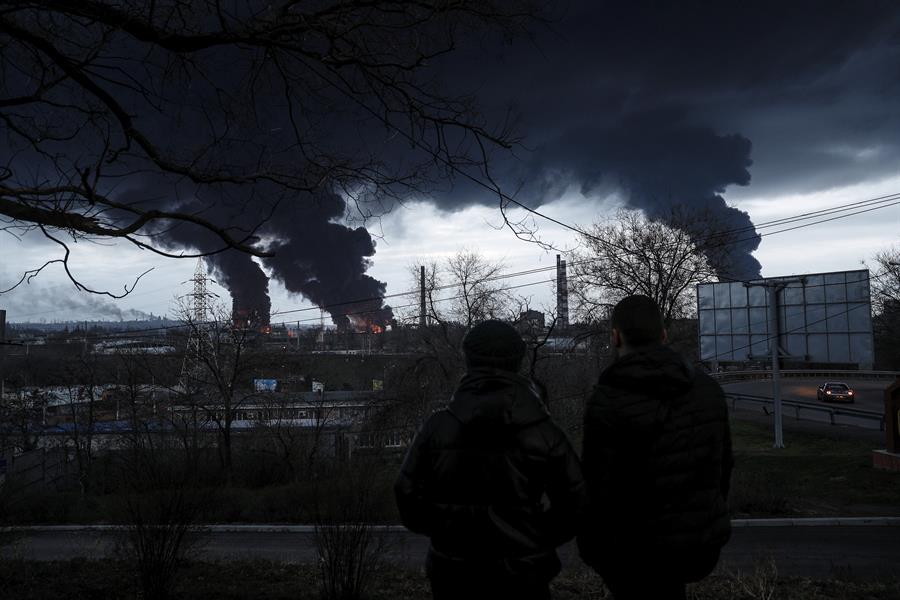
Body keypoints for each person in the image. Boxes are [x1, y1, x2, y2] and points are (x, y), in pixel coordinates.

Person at [395, 319, 587, 600]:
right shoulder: (543, 431)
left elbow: (405, 492)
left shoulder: (438, 428)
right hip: (524, 577)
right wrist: (533, 536)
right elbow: (577, 501)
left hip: (454, 574)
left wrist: (446, 530)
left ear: (468, 359)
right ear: (519, 361)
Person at [577, 295, 733, 600]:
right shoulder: (707, 390)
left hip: (632, 552)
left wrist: (593, 550)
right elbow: (723, 466)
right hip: (696, 545)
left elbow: (597, 488)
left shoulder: (607, 401)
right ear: (663, 334)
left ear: (615, 337)